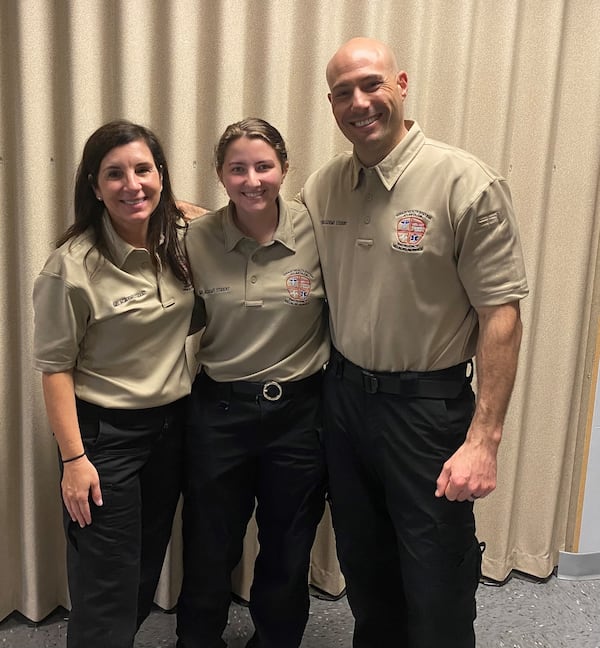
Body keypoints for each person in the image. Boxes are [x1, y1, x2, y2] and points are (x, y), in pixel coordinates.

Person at [299, 37, 529, 648]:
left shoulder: (465, 183)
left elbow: (500, 316)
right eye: (343, 92)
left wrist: (485, 438)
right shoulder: (323, 189)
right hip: (344, 402)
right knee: (365, 567)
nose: (360, 101)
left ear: (401, 85)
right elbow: (264, 232)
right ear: (331, 104)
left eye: (372, 84)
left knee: (436, 576)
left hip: (426, 412)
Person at [32, 120, 195, 648]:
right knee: (106, 583)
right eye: (115, 174)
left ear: (163, 176)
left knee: (144, 570)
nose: (132, 185)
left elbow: (238, 220)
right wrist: (75, 462)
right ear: (93, 186)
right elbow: (55, 368)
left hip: (172, 431)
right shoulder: (71, 267)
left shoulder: (179, 243)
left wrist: (187, 210)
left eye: (144, 170)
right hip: (105, 441)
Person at [176, 118, 328, 648]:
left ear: (284, 168)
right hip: (220, 412)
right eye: (237, 168)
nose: (252, 179)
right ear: (220, 175)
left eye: (264, 166)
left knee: (288, 546)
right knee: (209, 544)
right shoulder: (195, 239)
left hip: (300, 415)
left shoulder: (319, 232)